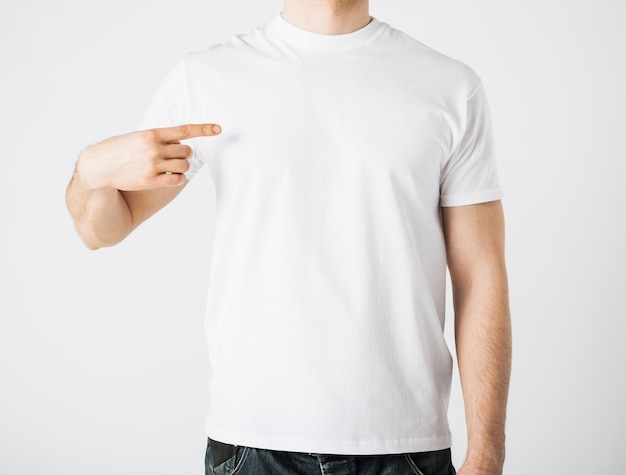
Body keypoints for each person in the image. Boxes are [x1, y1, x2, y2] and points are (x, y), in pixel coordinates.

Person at [65, 0, 512, 474]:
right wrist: (90, 172)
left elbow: (480, 274)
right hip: (251, 448)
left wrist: (487, 453)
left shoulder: (450, 87)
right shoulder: (208, 77)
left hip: (403, 449)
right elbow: (103, 231)